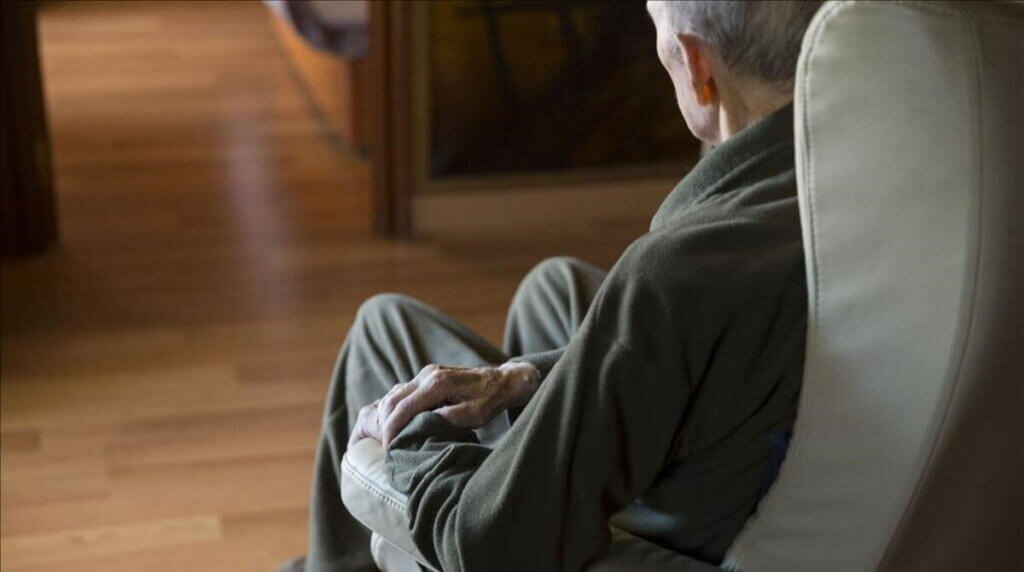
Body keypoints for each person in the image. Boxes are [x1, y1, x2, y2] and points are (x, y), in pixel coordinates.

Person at [288, 1, 823, 570]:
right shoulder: (849, 179)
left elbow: (489, 540)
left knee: (381, 329)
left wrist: (413, 443)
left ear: (697, 68)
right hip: (746, 478)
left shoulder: (678, 272)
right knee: (555, 287)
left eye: (657, 26)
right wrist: (525, 376)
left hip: (644, 541)